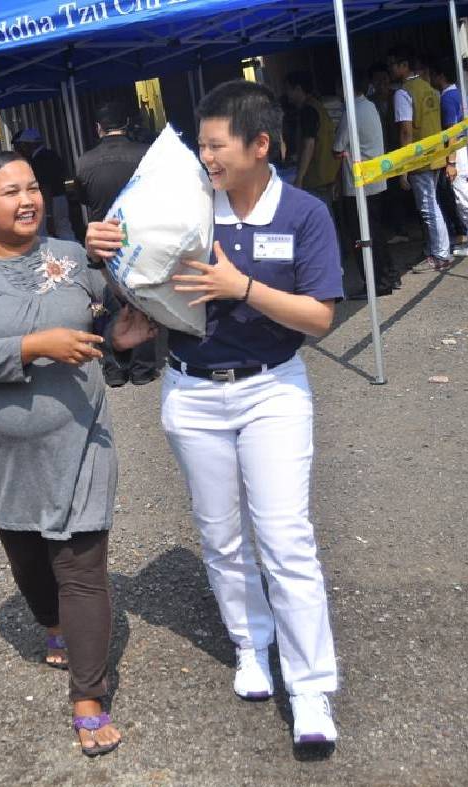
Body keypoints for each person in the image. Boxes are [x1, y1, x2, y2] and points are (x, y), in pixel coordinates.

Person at [87, 80, 343, 747]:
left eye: (216, 145)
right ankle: (253, 646)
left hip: (272, 392)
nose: (205, 158)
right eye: (200, 145)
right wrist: (109, 252)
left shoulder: (305, 215)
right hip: (192, 392)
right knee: (222, 537)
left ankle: (312, 687)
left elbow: (319, 316)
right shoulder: (191, 205)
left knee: (285, 538)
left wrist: (243, 287)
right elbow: (139, 284)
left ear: (261, 145)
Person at [0, 149, 156, 759]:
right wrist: (36, 345)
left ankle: (88, 695)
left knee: (82, 567)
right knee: (31, 559)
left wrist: (118, 336)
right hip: (6, 454)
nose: (27, 199)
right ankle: (52, 625)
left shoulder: (73, 257)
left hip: (81, 440)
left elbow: (104, 320)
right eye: (10, 192)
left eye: (32, 187)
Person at [73, 99, 161, 386]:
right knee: (143, 300)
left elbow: (83, 198)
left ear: (98, 129)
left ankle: (113, 368)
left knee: (108, 304)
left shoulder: (84, 162)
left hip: (103, 240)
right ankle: (143, 369)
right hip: (140, 236)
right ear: (126, 124)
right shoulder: (145, 154)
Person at [333, 72, 399, 298]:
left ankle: (376, 283)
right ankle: (390, 275)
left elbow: (337, 147)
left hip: (358, 185)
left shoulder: (350, 113)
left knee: (362, 237)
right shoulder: (370, 106)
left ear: (345, 90)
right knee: (376, 232)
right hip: (376, 180)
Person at [389, 45, 452, 273]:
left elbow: (406, 131)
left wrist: (403, 168)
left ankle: (440, 254)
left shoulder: (403, 93)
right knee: (432, 204)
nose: (390, 69)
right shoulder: (429, 88)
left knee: (428, 207)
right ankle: (437, 249)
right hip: (435, 155)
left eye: (393, 64)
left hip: (418, 159)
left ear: (403, 66)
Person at [429, 59, 468, 257]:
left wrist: (451, 162)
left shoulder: (447, 98)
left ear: (440, 76)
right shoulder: (463, 94)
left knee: (464, 198)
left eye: (432, 74)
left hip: (463, 151)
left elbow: (452, 133)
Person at [368, 62, 414, 245]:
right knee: (385, 195)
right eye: (377, 80)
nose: (381, 83)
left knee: (398, 192)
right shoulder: (370, 102)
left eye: (384, 79)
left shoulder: (398, 96)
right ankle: (394, 227)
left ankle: (402, 229)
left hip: (397, 151)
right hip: (379, 154)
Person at [282, 72, 340, 207]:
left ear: (298, 89)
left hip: (316, 176)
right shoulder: (316, 106)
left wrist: (299, 178)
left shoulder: (308, 110)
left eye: (288, 89)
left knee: (319, 216)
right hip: (325, 172)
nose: (286, 94)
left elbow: (309, 144)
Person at [13, 128, 74, 241]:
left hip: (49, 202)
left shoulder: (38, 161)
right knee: (64, 230)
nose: (22, 149)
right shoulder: (53, 155)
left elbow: (45, 188)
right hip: (61, 198)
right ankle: (76, 255)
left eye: (23, 145)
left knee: (46, 235)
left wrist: (48, 215)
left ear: (29, 145)